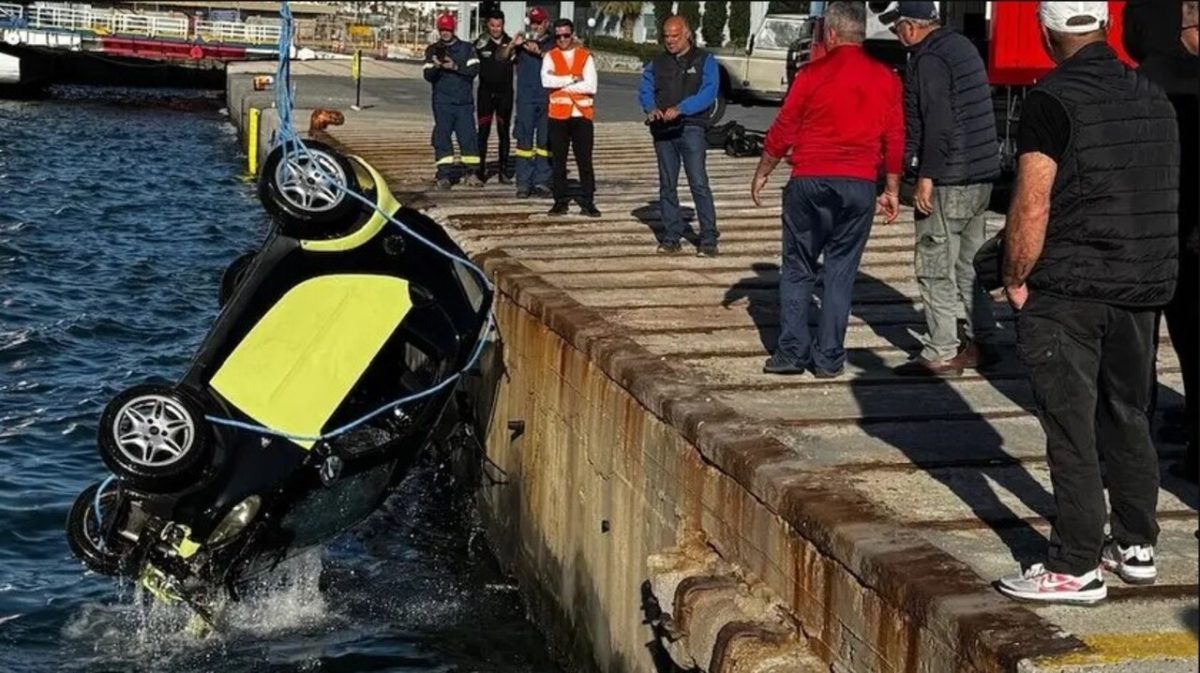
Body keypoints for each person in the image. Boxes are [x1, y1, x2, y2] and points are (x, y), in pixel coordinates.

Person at [995, 2, 1178, 605]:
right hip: (1139, 286)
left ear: (1049, 34)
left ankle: (1075, 563)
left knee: (1070, 425)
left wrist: (1016, 274)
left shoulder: (1052, 98)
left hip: (1070, 288)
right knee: (1129, 413)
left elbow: (1034, 200)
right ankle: (1135, 543)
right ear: (1103, 25)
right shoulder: (1151, 95)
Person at [751, 2, 903, 377]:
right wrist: (893, 189)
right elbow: (895, 137)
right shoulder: (887, 78)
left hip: (811, 179)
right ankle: (829, 358)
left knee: (799, 265)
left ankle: (791, 353)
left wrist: (763, 170)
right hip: (860, 183)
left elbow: (785, 126)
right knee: (840, 271)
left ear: (830, 34)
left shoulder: (811, 73)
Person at [882, 1, 1002, 377]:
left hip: (949, 177)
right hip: (980, 175)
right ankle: (983, 339)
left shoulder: (929, 59)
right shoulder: (961, 46)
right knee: (970, 265)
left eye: (896, 27)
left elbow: (938, 120)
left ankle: (942, 350)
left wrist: (926, 177)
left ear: (912, 27)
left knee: (934, 264)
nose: (896, 35)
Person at [1123, 0, 1199, 484]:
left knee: (1140, 347)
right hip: (1190, 235)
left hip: (1151, 234)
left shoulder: (1138, 86)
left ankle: (1134, 442)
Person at [639, 15, 720, 257]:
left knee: (698, 182)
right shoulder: (657, 62)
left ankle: (708, 237)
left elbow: (709, 91)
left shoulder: (705, 59)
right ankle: (672, 236)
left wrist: (683, 108)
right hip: (663, 131)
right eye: (666, 36)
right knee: (667, 184)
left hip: (691, 127)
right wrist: (650, 108)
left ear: (687, 34)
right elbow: (645, 87)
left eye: (675, 36)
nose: (670, 41)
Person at [542, 18, 600, 217]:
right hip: (558, 117)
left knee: (584, 160)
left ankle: (588, 201)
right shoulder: (550, 56)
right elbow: (546, 81)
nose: (562, 39)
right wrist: (573, 79)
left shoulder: (585, 56)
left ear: (572, 34)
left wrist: (562, 85)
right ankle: (560, 201)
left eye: (566, 35)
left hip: (582, 116)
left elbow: (590, 86)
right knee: (559, 161)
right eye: (558, 36)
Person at [423, 13, 481, 190]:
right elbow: (427, 75)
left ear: (453, 29)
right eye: (442, 30)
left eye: (448, 29)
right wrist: (437, 66)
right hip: (442, 103)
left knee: (468, 138)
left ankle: (471, 173)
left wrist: (455, 67)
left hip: (463, 102)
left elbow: (474, 70)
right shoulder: (432, 50)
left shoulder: (466, 48)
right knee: (442, 139)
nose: (445, 33)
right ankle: (443, 175)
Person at [502, 7, 554, 199]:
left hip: (547, 99)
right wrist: (511, 45)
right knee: (524, 142)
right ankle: (523, 183)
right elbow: (502, 58)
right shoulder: (520, 43)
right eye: (533, 22)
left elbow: (560, 63)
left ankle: (542, 181)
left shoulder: (554, 43)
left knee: (545, 142)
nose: (535, 26)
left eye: (539, 22)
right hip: (526, 100)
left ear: (546, 24)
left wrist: (539, 52)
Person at [474, 10, 515, 185]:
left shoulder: (511, 43)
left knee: (503, 132)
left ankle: (503, 170)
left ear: (503, 24)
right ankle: (480, 169)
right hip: (485, 93)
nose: (496, 29)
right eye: (492, 25)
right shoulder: (480, 43)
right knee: (482, 132)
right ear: (487, 25)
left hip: (505, 94)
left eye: (499, 25)